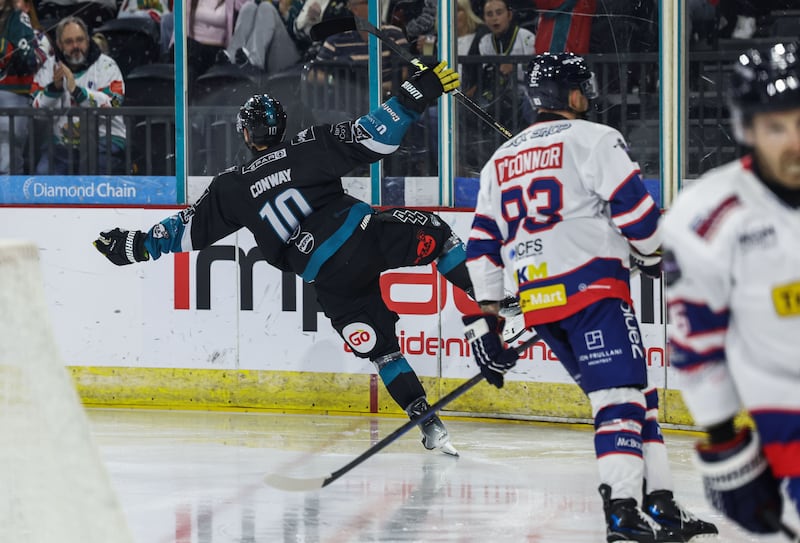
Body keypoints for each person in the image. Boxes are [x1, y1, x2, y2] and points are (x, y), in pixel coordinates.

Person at [93, 61, 467, 456]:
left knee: (384, 352)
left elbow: (184, 231)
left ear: (244, 133)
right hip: (364, 238)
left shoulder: (232, 187)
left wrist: (133, 246)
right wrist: (416, 93)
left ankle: (429, 423)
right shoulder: (309, 145)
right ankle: (499, 303)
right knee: (439, 238)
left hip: (329, 280)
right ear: (281, 127)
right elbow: (375, 137)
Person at [461, 52, 718, 542]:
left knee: (636, 397)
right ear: (573, 95)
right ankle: (622, 511)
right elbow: (637, 215)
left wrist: (489, 321)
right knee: (620, 398)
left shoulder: (499, 161)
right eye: (583, 86)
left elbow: (481, 248)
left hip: (540, 303)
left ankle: (660, 505)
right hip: (592, 292)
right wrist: (652, 251)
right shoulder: (596, 138)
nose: (589, 93)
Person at [660, 41, 800, 537]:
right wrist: (724, 442)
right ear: (748, 131)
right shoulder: (707, 216)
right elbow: (697, 341)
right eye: (776, 127)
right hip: (788, 409)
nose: (795, 142)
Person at [31, 15, 125, 174]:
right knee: (43, 174)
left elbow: (114, 104)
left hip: (104, 141)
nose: (75, 46)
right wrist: (53, 89)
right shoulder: (48, 67)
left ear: (88, 40)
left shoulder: (107, 65)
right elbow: (36, 110)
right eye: (68, 42)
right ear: (59, 45)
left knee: (93, 177)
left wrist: (77, 91)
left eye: (80, 40)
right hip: (61, 144)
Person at [0, 0, 50, 174]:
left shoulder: (19, 20)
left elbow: (34, 60)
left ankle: (10, 200)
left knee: (8, 159)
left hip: (16, 94)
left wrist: (16, 54)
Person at [476, 0, 535, 133]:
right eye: (489, 14)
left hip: (525, 94)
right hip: (500, 95)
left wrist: (515, 69)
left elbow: (534, 70)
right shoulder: (485, 42)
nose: (494, 18)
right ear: (484, 19)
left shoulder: (526, 37)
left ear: (509, 15)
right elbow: (487, 74)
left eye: (499, 13)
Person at [220, 0, 300, 74]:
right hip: (267, 49)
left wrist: (286, 13)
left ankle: (255, 61)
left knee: (266, 7)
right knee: (249, 7)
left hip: (291, 53)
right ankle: (231, 57)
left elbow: (303, 35)